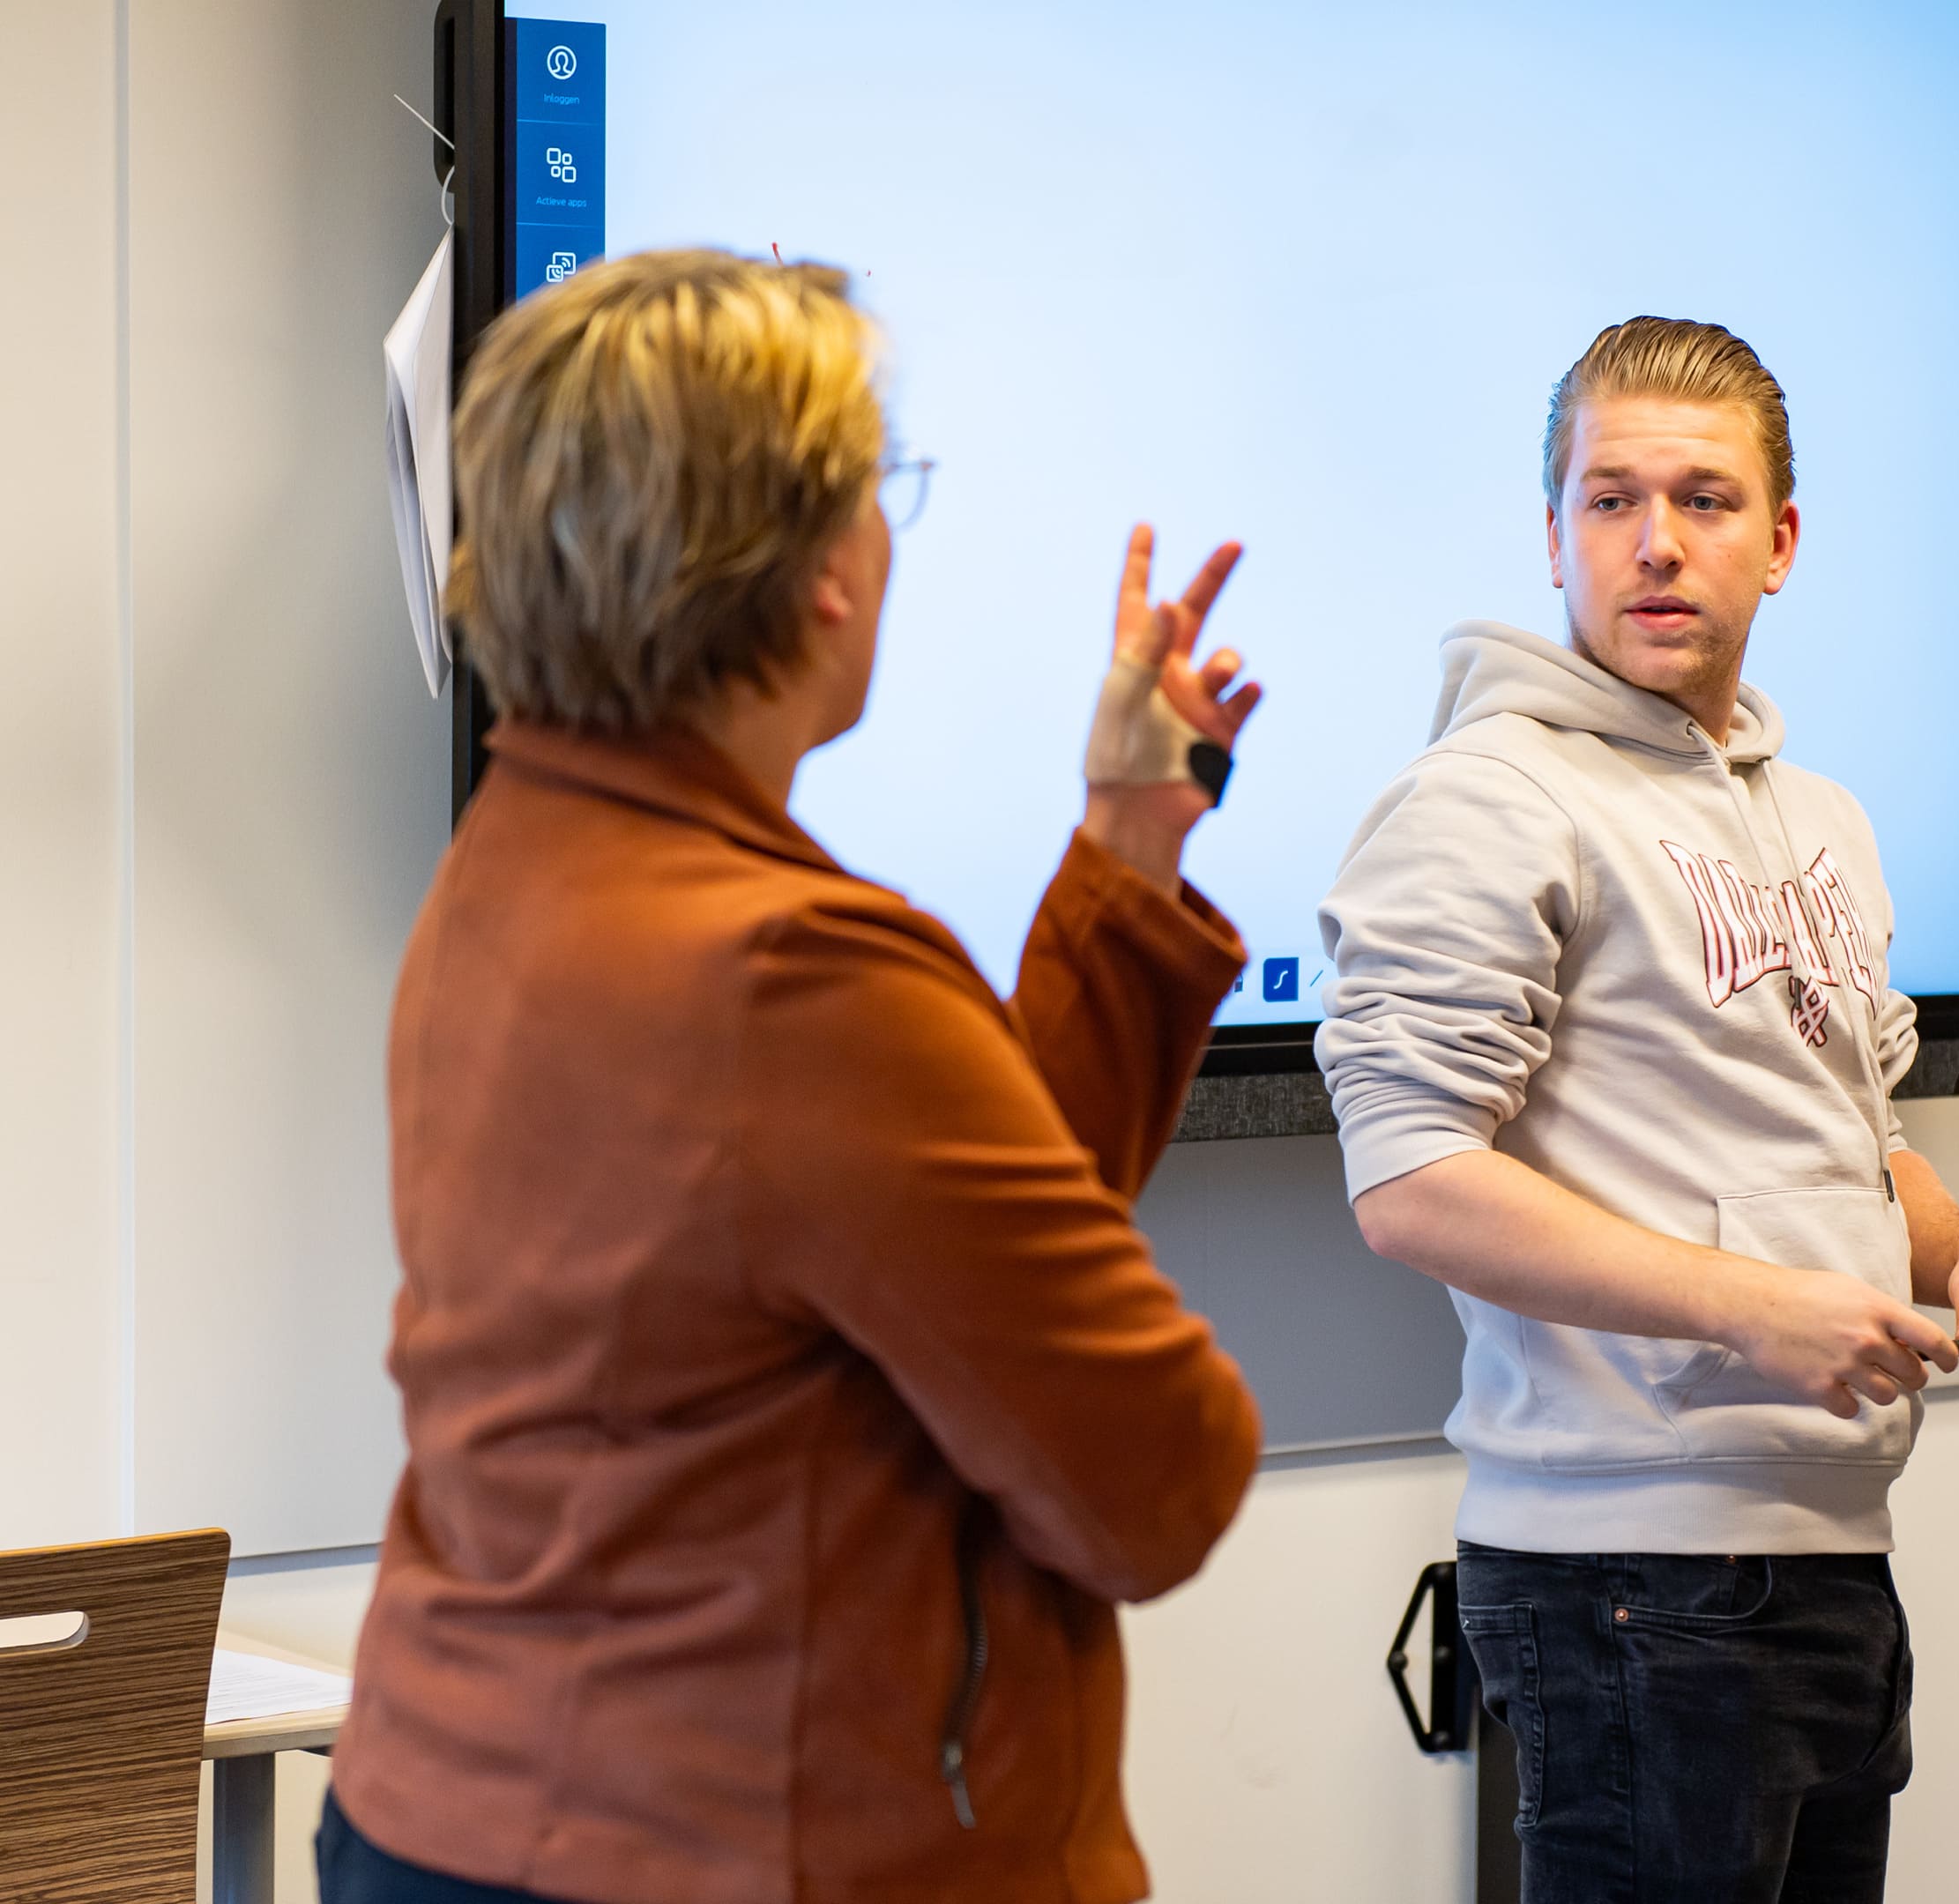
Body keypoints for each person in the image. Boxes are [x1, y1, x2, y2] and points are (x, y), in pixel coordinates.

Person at [322, 249, 1265, 1904]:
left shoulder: (510, 864)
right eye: (878, 490)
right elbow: (1156, 1479)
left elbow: (949, 1228)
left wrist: (1126, 834)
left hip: (457, 1815)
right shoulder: (793, 978)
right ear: (815, 569)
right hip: (745, 1851)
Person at [1317, 316, 1959, 1901]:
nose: (1656, 543)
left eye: (1708, 501)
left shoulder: (1822, 818)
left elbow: (1859, 1145)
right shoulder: (1488, 796)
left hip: (1831, 1558)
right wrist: (1755, 1313)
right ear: (1554, 534)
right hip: (1629, 1583)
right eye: (1610, 499)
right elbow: (1411, 1181)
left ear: (1781, 541)